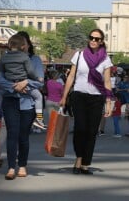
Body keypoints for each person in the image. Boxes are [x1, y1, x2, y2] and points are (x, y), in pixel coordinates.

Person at [60, 28, 113, 175]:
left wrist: (108, 102)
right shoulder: (79, 55)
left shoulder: (105, 59)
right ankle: (79, 158)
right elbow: (71, 77)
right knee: (80, 129)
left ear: (102, 42)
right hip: (79, 96)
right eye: (91, 38)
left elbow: (107, 82)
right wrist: (64, 97)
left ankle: (85, 163)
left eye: (97, 39)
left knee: (91, 132)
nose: (93, 41)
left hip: (97, 98)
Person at [0, 30, 44, 180]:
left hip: (27, 103)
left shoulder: (35, 60)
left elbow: (40, 81)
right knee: (12, 134)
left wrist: (26, 82)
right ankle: (11, 167)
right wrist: (14, 86)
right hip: (10, 99)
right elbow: (0, 79)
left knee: (23, 136)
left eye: (24, 43)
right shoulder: (7, 59)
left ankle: (22, 164)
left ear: (27, 44)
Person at [0, 34, 45, 130]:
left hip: (17, 94)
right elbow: (32, 73)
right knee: (39, 96)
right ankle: (39, 119)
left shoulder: (5, 57)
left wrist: (14, 85)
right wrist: (26, 82)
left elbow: (0, 73)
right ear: (24, 46)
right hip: (21, 93)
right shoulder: (25, 58)